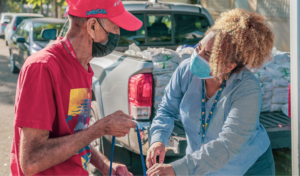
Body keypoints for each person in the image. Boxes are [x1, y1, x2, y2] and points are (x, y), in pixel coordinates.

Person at [10, 0, 143, 175]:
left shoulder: (83, 65)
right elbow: (31, 162)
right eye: (115, 25)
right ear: (92, 26)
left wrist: (105, 165)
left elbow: (75, 134)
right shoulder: (42, 67)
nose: (118, 32)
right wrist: (99, 129)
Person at [146, 9, 275, 176]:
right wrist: (158, 139)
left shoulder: (247, 89)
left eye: (207, 55)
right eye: (198, 47)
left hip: (248, 168)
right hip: (201, 166)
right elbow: (167, 110)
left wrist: (177, 169)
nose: (197, 56)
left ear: (229, 66)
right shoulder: (185, 70)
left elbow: (228, 144)